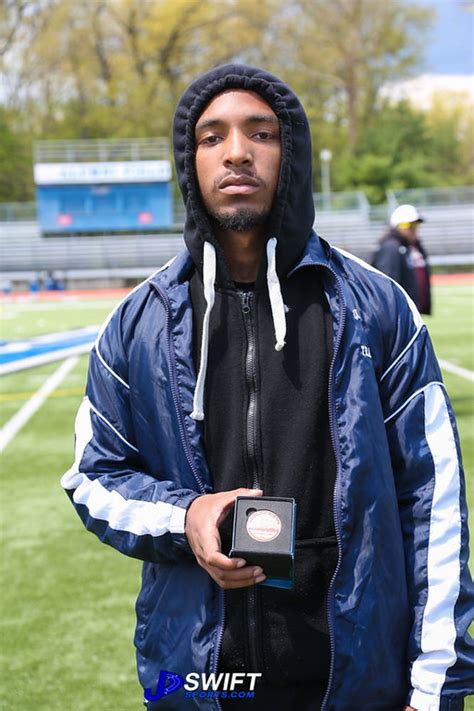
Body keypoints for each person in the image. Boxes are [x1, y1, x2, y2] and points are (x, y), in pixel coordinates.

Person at [61, 65, 473, 710]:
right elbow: (93, 477)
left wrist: (432, 689)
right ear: (188, 160)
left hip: (359, 681)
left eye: (262, 133)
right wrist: (186, 515)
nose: (236, 152)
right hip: (194, 682)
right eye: (211, 136)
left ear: (294, 153)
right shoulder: (136, 323)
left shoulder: (377, 308)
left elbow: (433, 502)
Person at [372, 204, 432, 314]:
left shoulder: (412, 247)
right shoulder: (391, 248)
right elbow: (386, 284)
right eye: (409, 225)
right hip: (399, 313)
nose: (414, 230)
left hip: (409, 310)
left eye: (416, 225)